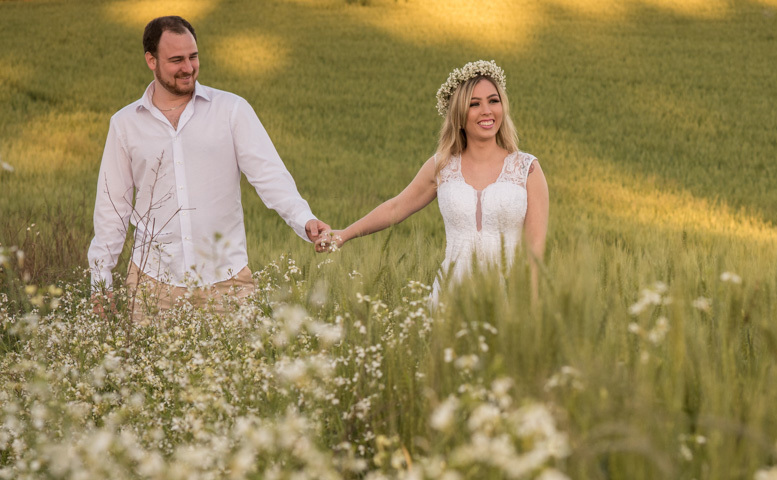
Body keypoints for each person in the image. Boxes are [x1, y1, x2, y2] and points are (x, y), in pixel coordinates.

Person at [88, 16, 329, 320]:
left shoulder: (231, 110)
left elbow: (269, 175)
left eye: (193, 56)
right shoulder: (125, 124)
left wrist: (303, 218)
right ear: (151, 60)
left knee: (237, 368)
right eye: (176, 60)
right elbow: (112, 209)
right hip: (151, 285)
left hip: (227, 283)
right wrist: (100, 281)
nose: (188, 67)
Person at [318, 60, 548, 305]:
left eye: (493, 101)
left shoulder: (527, 169)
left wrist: (529, 307)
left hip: (507, 299)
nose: (487, 111)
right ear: (459, 115)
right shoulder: (442, 166)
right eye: (474, 104)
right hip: (449, 299)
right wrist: (344, 234)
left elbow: (535, 249)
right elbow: (395, 208)